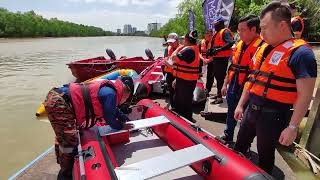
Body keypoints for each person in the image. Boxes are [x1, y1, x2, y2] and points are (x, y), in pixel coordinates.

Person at [233, 2, 317, 174]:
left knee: (265, 155)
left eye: (264, 28)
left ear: (283, 25)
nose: (261, 33)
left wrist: (293, 127)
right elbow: (252, 80)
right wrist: (241, 104)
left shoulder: (301, 54)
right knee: (239, 145)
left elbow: (305, 95)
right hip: (251, 110)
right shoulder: (262, 47)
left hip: (273, 116)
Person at [43, 76, 134, 179]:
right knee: (68, 140)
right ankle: (65, 173)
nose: (125, 101)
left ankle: (65, 165)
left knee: (63, 136)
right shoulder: (111, 94)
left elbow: (114, 110)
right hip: (59, 102)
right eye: (126, 98)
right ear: (125, 92)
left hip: (60, 98)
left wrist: (124, 118)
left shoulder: (110, 90)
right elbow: (109, 118)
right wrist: (121, 125)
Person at [218, 14, 263, 142]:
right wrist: (224, 84)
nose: (239, 33)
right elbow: (232, 66)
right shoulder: (238, 45)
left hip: (251, 86)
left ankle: (244, 144)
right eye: (238, 30)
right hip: (234, 83)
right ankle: (228, 134)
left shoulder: (262, 48)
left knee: (248, 118)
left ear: (253, 30)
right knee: (231, 110)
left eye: (242, 30)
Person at [165, 30, 200, 121]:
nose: (183, 41)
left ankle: (187, 120)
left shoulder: (189, 50)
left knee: (185, 102)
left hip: (187, 81)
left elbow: (173, 58)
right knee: (179, 100)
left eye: (184, 39)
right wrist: (176, 79)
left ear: (187, 39)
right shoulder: (193, 48)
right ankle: (182, 117)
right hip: (184, 79)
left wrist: (179, 48)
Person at [206, 16, 234, 104]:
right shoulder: (217, 33)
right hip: (217, 58)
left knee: (220, 77)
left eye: (216, 24)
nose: (215, 26)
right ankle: (218, 94)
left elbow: (230, 42)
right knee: (217, 76)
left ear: (221, 24)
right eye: (214, 25)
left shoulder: (224, 32)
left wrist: (219, 49)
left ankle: (220, 97)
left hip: (222, 58)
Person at [163, 33, 181, 109]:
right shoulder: (167, 49)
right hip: (170, 72)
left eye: (172, 42)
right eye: (169, 42)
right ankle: (173, 106)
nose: (171, 43)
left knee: (178, 90)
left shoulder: (182, 49)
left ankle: (178, 107)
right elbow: (165, 59)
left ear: (177, 41)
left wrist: (171, 65)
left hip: (178, 73)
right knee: (171, 90)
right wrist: (168, 63)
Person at [199, 29, 215, 94]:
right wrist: (203, 59)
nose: (210, 36)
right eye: (208, 35)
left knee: (210, 75)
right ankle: (199, 86)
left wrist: (209, 60)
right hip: (202, 60)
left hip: (211, 61)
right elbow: (198, 52)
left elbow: (217, 54)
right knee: (198, 74)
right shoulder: (201, 42)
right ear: (205, 35)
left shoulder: (214, 42)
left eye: (211, 35)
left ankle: (208, 89)